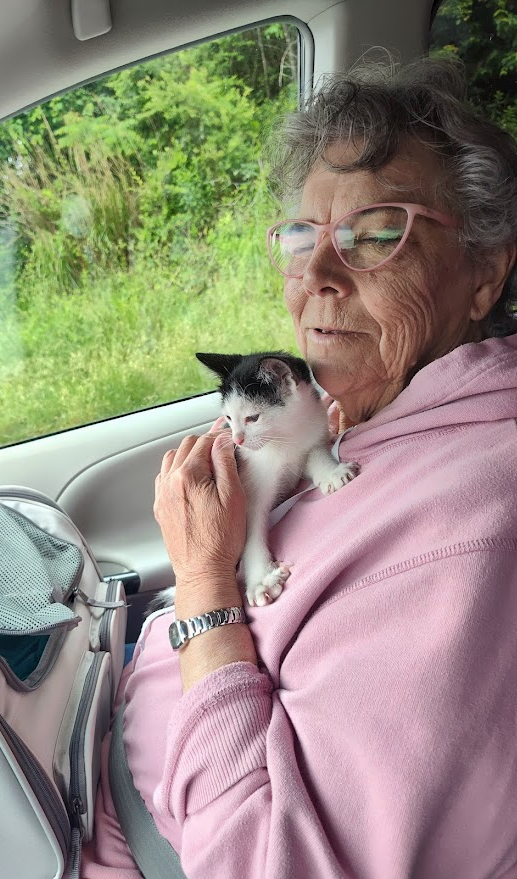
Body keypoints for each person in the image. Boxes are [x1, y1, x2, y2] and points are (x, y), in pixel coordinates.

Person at [80, 57, 517, 877]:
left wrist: (205, 583)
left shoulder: (474, 524)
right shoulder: (380, 420)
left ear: (483, 274)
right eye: (298, 236)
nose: (314, 276)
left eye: (378, 232)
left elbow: (264, 861)